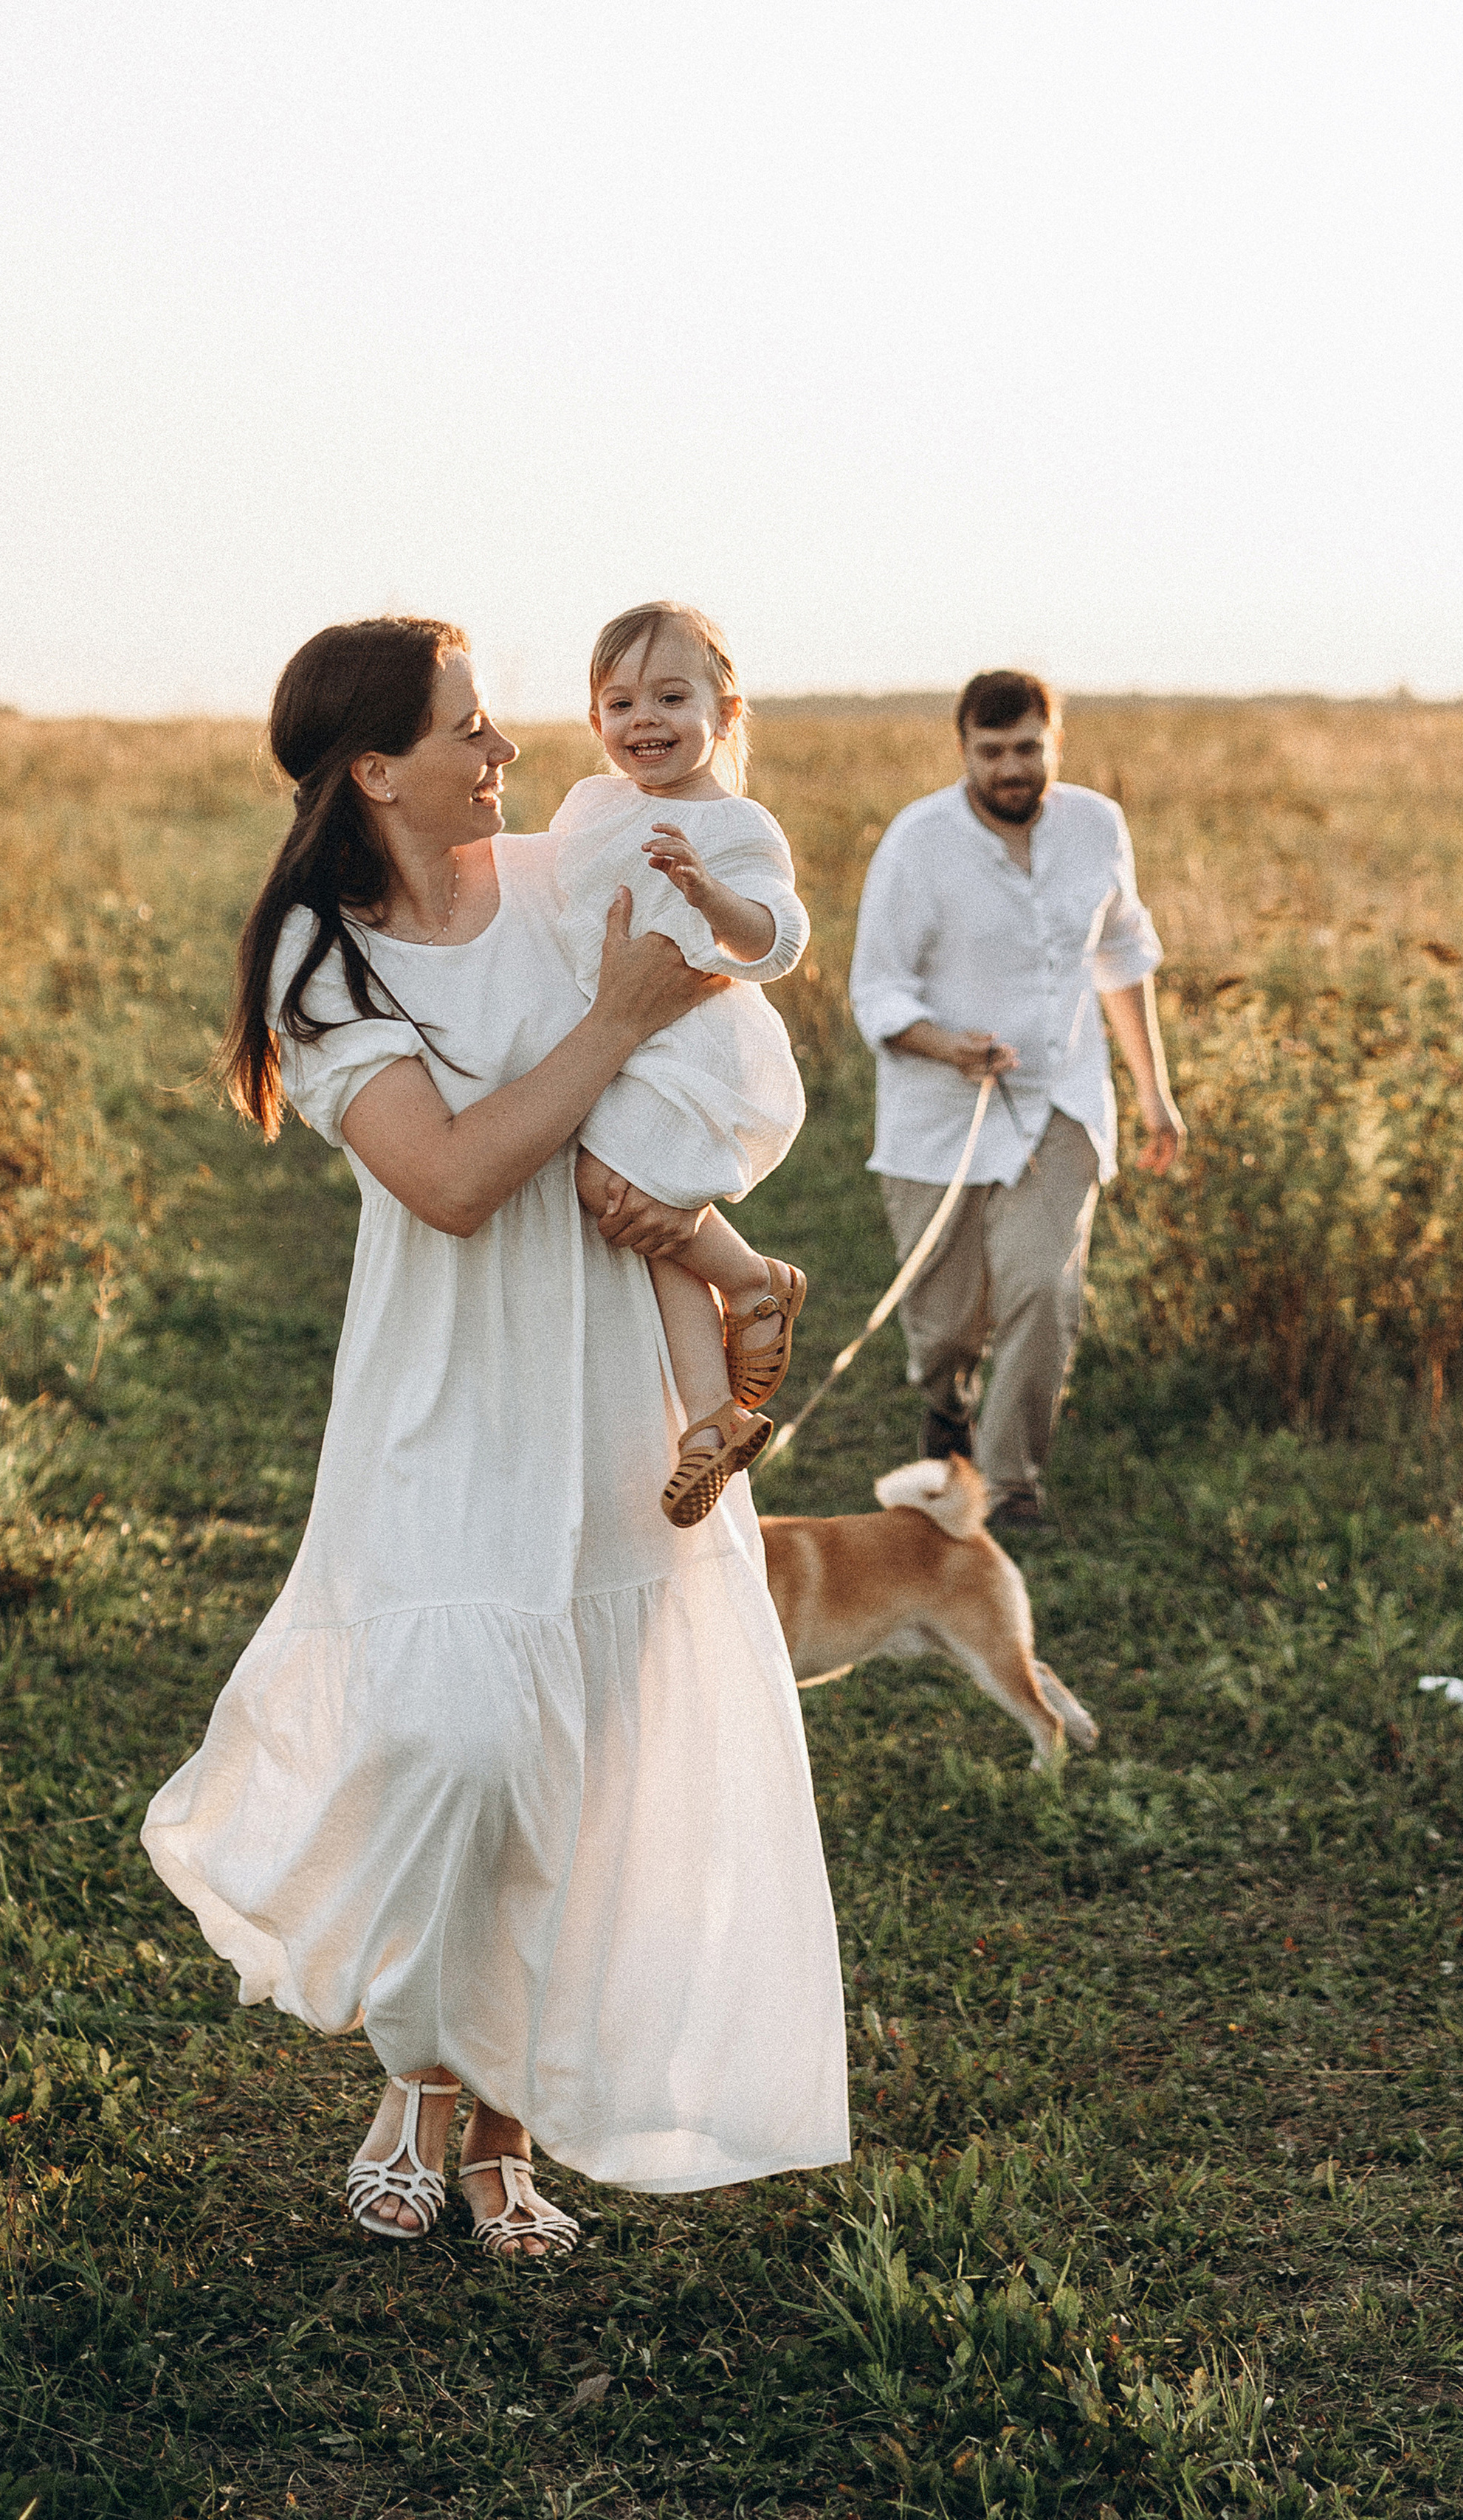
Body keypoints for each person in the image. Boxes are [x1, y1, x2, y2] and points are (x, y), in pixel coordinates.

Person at [141, 615, 850, 2260]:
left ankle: (499, 2128)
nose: (509, 749)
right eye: (469, 728)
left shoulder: (557, 875)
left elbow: (714, 1016)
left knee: (579, 1763)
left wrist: (706, 1231)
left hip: (604, 1353)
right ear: (375, 769)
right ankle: (413, 2074)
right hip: (446, 1381)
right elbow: (451, 1182)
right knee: (450, 1739)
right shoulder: (325, 963)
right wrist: (603, 1025)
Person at [848, 671, 1183, 1527]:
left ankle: (1007, 1489)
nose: (1010, 767)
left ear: (1053, 743)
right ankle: (945, 1408)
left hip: (1060, 1104)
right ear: (962, 749)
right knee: (945, 1328)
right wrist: (947, 1046)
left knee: (1045, 1290)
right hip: (937, 1120)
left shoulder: (1097, 826)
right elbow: (876, 992)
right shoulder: (917, 842)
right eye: (990, 751)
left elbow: (1121, 959)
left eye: (1027, 748)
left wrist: (1154, 1094)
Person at [551, 601, 811, 1525]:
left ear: (725, 712)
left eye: (670, 696)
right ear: (595, 723)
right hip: (620, 1048)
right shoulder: (589, 804)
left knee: (606, 1188)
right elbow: (547, 886)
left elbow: (780, 941)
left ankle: (748, 1278)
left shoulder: (735, 824)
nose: (643, 721)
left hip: (693, 1051)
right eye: (618, 703)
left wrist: (713, 894)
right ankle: (710, 1420)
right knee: (648, 1224)